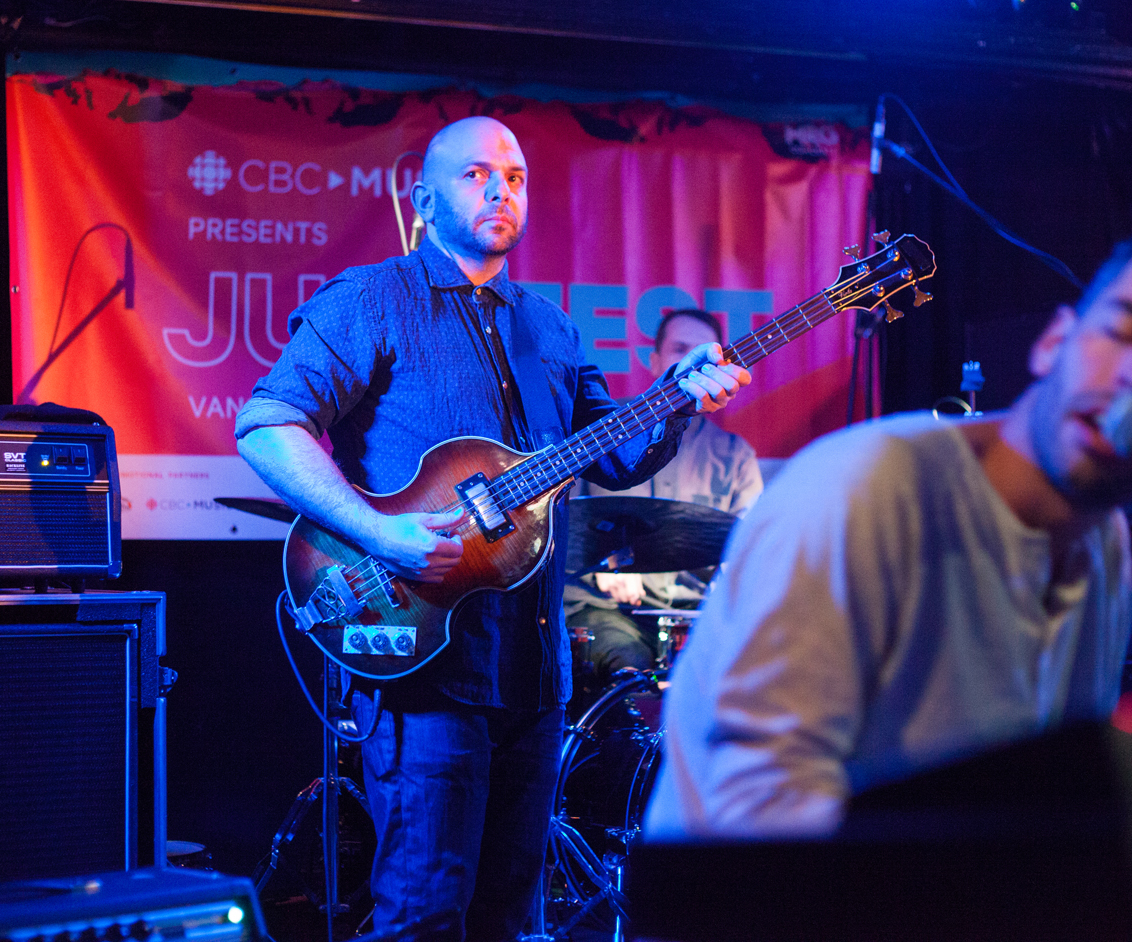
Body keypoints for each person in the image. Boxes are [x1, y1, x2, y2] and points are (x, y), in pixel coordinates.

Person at [234, 116, 748, 940]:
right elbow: (266, 423)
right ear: (423, 198)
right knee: (423, 911)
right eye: (475, 175)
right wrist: (378, 532)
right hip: (424, 666)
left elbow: (614, 456)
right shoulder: (372, 299)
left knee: (511, 914)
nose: (500, 189)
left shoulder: (549, 325)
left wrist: (682, 398)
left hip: (535, 673)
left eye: (513, 176)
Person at [646, 194, 1132, 839]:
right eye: (1124, 331)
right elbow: (753, 841)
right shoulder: (864, 493)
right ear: (1053, 342)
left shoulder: (1101, 541)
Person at [565, 308, 764, 677]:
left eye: (703, 352)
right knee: (628, 666)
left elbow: (753, 549)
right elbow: (560, 523)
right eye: (679, 350)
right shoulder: (605, 434)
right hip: (605, 610)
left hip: (694, 617)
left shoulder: (735, 456)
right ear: (656, 361)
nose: (691, 362)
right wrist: (599, 569)